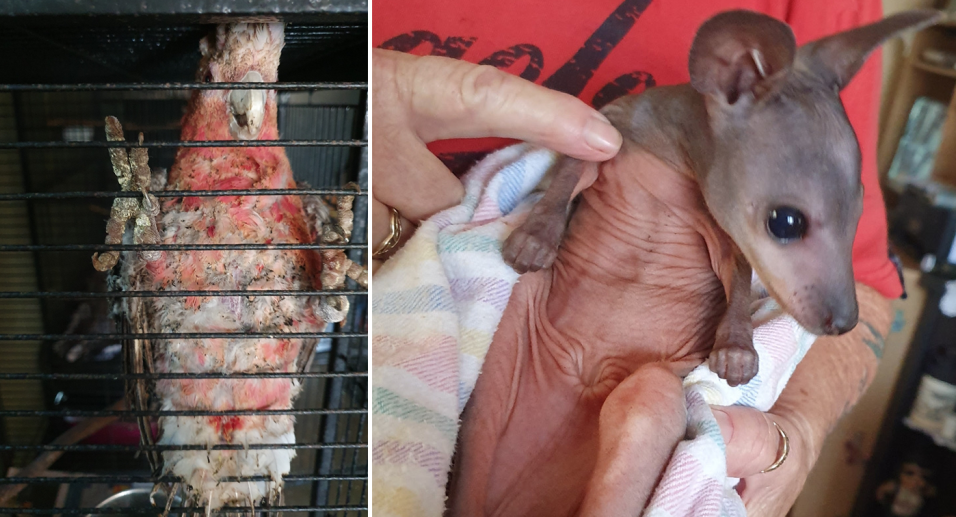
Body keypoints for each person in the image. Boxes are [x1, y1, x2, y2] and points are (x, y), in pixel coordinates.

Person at [372, 0, 899, 515]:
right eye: (785, 224)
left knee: (651, 405)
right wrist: (545, 217)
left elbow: (860, 287)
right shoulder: (647, 126)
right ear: (733, 69)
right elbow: (578, 169)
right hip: (538, 339)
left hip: (653, 367)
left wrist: (797, 431)